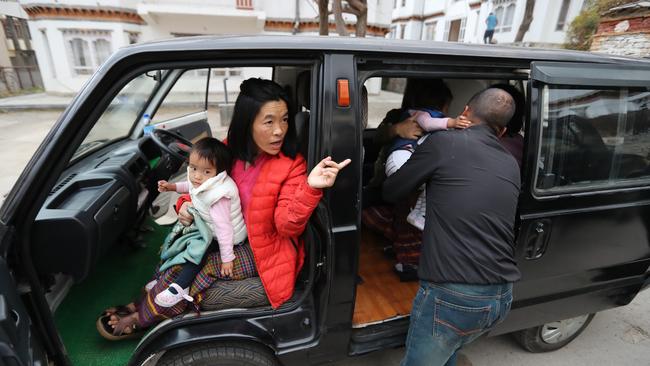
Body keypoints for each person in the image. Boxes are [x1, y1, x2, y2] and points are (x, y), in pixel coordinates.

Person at [99, 78, 350, 339]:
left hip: (263, 249)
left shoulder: (291, 165)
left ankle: (145, 315)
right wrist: (185, 204)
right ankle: (144, 301)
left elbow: (287, 226)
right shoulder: (229, 149)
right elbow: (200, 184)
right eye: (269, 121)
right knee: (183, 251)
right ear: (246, 122)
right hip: (222, 234)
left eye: (285, 120)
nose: (280, 131)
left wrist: (310, 187)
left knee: (198, 272)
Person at [383, 88, 521, 365]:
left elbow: (393, 190)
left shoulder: (444, 142)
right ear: (502, 132)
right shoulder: (510, 163)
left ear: (465, 113)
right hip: (501, 296)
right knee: (449, 349)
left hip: (453, 295)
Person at [152, 137, 245, 307]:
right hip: (208, 227)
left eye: (206, 171)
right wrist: (171, 187)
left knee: (197, 252)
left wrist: (227, 258)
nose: (197, 176)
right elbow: (190, 186)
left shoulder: (219, 196)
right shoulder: (204, 181)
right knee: (180, 240)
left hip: (225, 238)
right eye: (193, 168)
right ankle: (162, 279)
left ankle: (181, 287)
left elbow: (224, 229)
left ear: (219, 173)